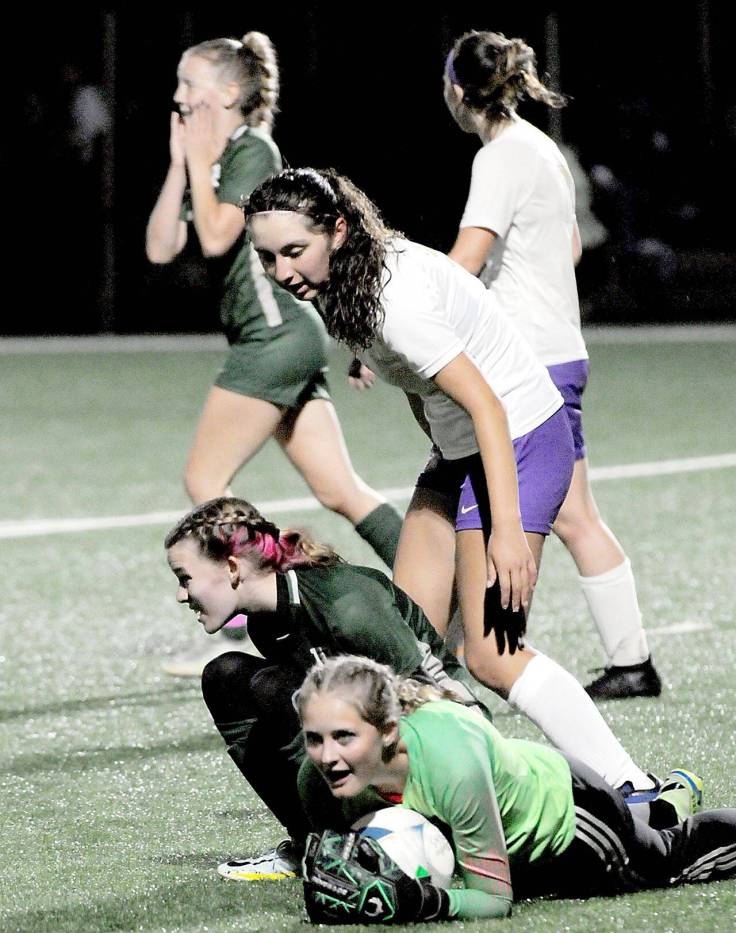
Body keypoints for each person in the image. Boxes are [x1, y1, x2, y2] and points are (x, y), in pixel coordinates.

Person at [241, 168, 666, 801]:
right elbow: (424, 391)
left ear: (338, 229)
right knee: (402, 647)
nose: (281, 271)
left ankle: (634, 787)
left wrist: (507, 533)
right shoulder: (343, 283)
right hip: (462, 452)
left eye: (294, 252)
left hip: (517, 441)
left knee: (492, 656)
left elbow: (489, 406)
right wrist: (442, 462)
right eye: (267, 257)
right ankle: (429, 799)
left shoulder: (393, 302)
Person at [164, 498, 699, 880]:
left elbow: (443, 696)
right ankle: (314, 845)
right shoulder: (266, 622)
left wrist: (468, 793)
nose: (183, 594)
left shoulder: (348, 606)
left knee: (621, 846)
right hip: (385, 754)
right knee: (231, 677)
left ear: (232, 567)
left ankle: (663, 803)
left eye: (185, 577)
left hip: (448, 743)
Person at [145, 33, 402, 674]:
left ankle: (255, 619)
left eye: (189, 85)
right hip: (283, 339)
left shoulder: (252, 150)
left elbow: (211, 238)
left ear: (229, 94)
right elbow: (158, 247)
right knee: (339, 488)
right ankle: (432, 588)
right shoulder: (216, 158)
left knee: (204, 484)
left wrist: (205, 162)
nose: (178, 98)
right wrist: (184, 162)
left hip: (272, 337)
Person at [443, 30, 661, 700]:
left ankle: (495, 661)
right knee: (575, 515)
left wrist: (408, 314)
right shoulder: (544, 149)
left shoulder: (500, 158)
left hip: (529, 363)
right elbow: (565, 249)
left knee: (502, 511)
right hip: (559, 348)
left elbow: (467, 258)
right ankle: (632, 663)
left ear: (456, 90)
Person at [297, 655, 731, 924]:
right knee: (651, 832)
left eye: (344, 737)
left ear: (388, 731)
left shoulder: (452, 764)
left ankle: (667, 820)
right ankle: (668, 801)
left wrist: (420, 901)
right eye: (314, 739)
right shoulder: (316, 780)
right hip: (506, 814)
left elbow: (494, 900)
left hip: (569, 819)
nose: (327, 756)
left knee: (668, 861)